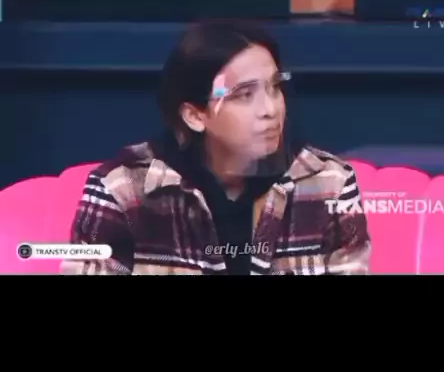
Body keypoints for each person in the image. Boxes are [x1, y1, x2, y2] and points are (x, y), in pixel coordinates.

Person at [61, 20, 371, 276]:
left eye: (275, 87)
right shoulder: (121, 191)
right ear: (195, 116)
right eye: (244, 95)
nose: (270, 109)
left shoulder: (329, 184)